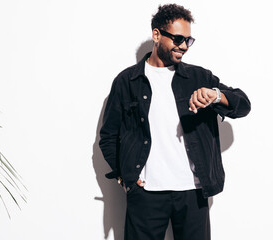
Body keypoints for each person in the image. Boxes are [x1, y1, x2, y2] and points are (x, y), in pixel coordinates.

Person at [99, 3, 251, 240]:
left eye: (189, 41)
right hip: (146, 192)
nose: (184, 47)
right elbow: (108, 136)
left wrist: (216, 96)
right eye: (178, 39)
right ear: (156, 35)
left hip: (193, 191)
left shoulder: (199, 77)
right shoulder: (127, 81)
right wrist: (125, 176)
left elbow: (243, 105)